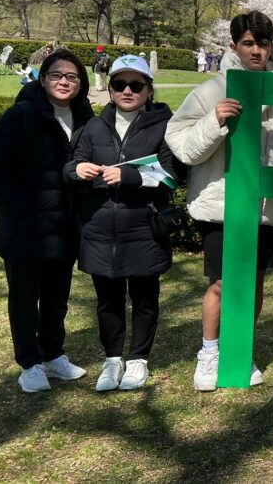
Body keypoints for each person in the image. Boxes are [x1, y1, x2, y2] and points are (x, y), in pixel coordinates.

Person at [166, 11, 273, 392]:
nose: (256, 51)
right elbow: (180, 140)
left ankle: (239, 348)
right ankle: (210, 351)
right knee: (222, 282)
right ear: (234, 46)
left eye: (263, 44)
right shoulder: (213, 90)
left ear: (272, 47)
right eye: (248, 43)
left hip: (267, 208)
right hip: (222, 205)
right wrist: (214, 120)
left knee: (254, 281)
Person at [65, 55, 185, 392]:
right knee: (108, 299)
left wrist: (130, 176)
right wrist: (77, 171)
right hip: (100, 227)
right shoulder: (94, 126)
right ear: (111, 88)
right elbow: (72, 165)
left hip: (143, 227)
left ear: (149, 90)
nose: (127, 90)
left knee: (145, 297)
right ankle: (112, 359)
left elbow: (173, 176)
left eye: (136, 85)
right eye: (119, 84)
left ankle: (138, 360)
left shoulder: (165, 125)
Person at [0, 50, 94, 393]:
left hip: (64, 227)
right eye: (57, 75)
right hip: (25, 228)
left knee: (57, 297)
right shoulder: (22, 115)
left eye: (71, 77)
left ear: (80, 83)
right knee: (25, 298)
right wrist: (23, 204)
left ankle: (53, 354)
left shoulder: (85, 116)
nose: (64, 82)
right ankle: (29, 362)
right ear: (42, 79)